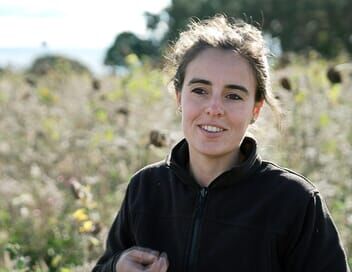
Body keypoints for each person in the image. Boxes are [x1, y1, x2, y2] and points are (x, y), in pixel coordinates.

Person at [92, 15, 350, 272]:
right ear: (179, 97)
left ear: (256, 109)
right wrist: (117, 267)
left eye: (233, 96)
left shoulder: (295, 201)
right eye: (200, 91)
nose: (214, 109)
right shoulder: (145, 188)